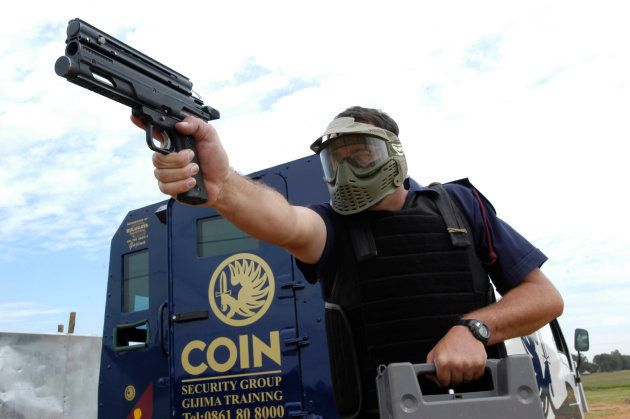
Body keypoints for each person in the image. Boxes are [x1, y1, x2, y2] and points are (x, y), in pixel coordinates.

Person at [140, 106, 564, 417]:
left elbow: (544, 297)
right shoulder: (333, 227)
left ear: (393, 155)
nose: (346, 174)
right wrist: (221, 185)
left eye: (360, 157)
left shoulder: (459, 206)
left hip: (484, 408)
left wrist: (474, 330)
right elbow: (284, 222)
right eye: (334, 162)